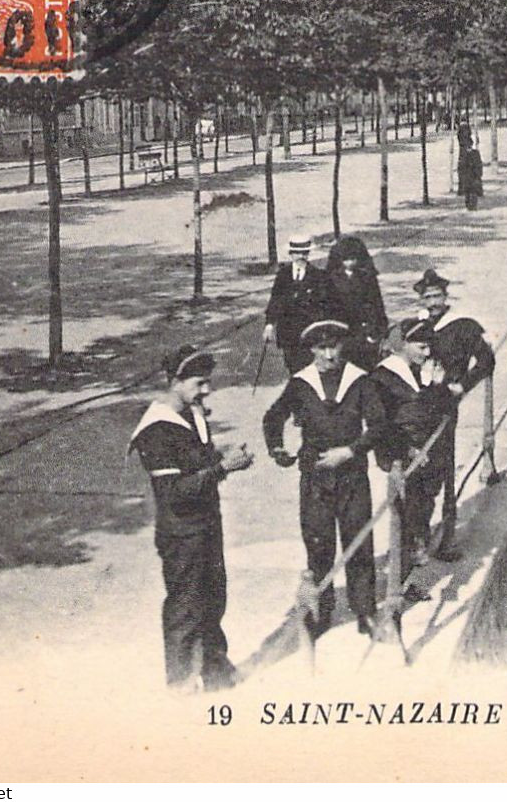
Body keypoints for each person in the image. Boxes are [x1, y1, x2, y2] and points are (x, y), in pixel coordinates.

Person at [129, 345, 253, 692]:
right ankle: (181, 680)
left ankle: (215, 669)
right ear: (176, 382)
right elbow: (174, 491)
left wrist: (223, 458)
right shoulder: (157, 430)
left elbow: (201, 462)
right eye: (200, 383)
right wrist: (222, 468)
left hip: (206, 525)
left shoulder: (193, 414)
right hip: (181, 532)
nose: (206, 390)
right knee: (185, 606)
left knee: (214, 599)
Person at [262, 320, 389, 638]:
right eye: (322, 348)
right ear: (312, 350)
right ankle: (322, 610)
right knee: (318, 544)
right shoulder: (300, 383)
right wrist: (277, 447)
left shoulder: (360, 381)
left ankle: (365, 611)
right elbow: (273, 416)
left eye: (334, 347)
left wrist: (351, 450)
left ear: (342, 347)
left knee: (358, 541)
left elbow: (378, 424)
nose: (329, 355)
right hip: (315, 477)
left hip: (351, 476)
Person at [413, 269, 495, 562]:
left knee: (443, 469)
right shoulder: (415, 328)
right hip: (416, 406)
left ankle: (446, 537)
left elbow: (486, 360)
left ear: (446, 297)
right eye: (427, 297)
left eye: (437, 296)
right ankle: (418, 535)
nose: (433, 302)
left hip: (445, 406)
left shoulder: (462, 326)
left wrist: (464, 385)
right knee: (417, 471)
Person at [369, 318, 450, 598]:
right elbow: (381, 426)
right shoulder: (382, 378)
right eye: (421, 347)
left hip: (427, 458)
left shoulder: (420, 372)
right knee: (405, 520)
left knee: (420, 513)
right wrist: (407, 451)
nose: (426, 353)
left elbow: (438, 411)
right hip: (403, 460)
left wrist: (437, 387)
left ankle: (405, 580)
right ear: (403, 345)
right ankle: (398, 587)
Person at [264, 234, 337, 374]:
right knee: (292, 368)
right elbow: (275, 301)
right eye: (297, 253)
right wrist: (269, 325)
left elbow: (325, 305)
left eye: (304, 253)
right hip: (288, 333)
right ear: (291, 254)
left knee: (309, 369)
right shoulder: (283, 275)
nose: (301, 256)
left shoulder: (318, 276)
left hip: (309, 333)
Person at [325, 235, 387, 372]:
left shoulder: (367, 276)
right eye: (346, 259)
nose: (350, 262)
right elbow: (328, 306)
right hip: (342, 331)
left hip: (363, 332)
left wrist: (376, 330)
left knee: (366, 367)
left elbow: (376, 303)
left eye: (353, 258)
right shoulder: (331, 279)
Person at [457, 124, 484, 210]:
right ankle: (470, 200)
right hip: (467, 162)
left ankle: (471, 200)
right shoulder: (464, 144)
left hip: (468, 162)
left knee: (470, 182)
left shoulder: (466, 145)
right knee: (469, 182)